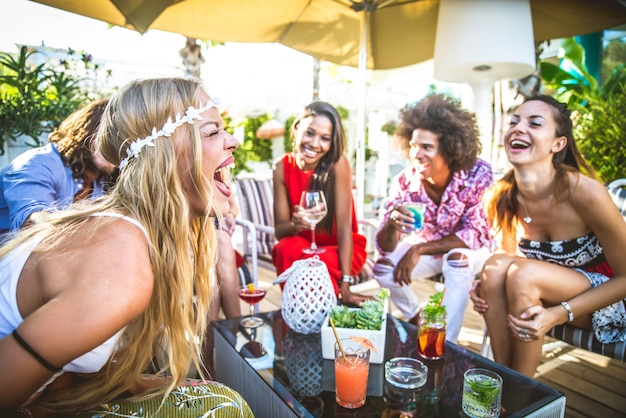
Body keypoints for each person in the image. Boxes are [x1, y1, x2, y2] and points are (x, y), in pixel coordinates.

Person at [0, 77, 253, 417]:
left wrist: (134, 382)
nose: (233, 141)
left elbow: (70, 348)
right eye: (211, 132)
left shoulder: (124, 231)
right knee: (225, 408)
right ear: (163, 155)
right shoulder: (120, 266)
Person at [470, 95, 626, 377]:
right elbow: (507, 257)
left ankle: (524, 394)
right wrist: (483, 285)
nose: (518, 128)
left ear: (558, 143)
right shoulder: (501, 196)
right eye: (514, 121)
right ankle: (504, 382)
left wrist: (557, 313)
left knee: (523, 274)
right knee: (494, 269)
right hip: (543, 296)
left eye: (535, 123)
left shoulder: (584, 192)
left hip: (605, 303)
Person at [372, 94, 494, 342]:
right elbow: (385, 246)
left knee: (457, 261)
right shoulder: (405, 181)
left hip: (472, 251)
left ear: (450, 149)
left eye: (426, 147)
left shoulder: (477, 174)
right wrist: (391, 225)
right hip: (430, 250)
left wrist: (418, 249)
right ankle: (417, 317)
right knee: (383, 268)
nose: (416, 154)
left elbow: (474, 233)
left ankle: (444, 343)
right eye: (414, 145)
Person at [271, 101, 372, 306]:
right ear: (297, 128)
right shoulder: (282, 167)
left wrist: (346, 284)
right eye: (310, 133)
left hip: (341, 249)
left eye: (325, 138)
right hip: (304, 248)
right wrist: (295, 225)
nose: (316, 144)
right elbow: (280, 232)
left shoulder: (337, 164)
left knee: (314, 266)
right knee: (285, 249)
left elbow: (344, 229)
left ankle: (321, 314)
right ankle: (298, 312)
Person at [0, 98, 118, 243]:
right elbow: (31, 222)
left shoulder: (102, 178)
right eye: (110, 134)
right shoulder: (36, 163)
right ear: (88, 129)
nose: (116, 146)